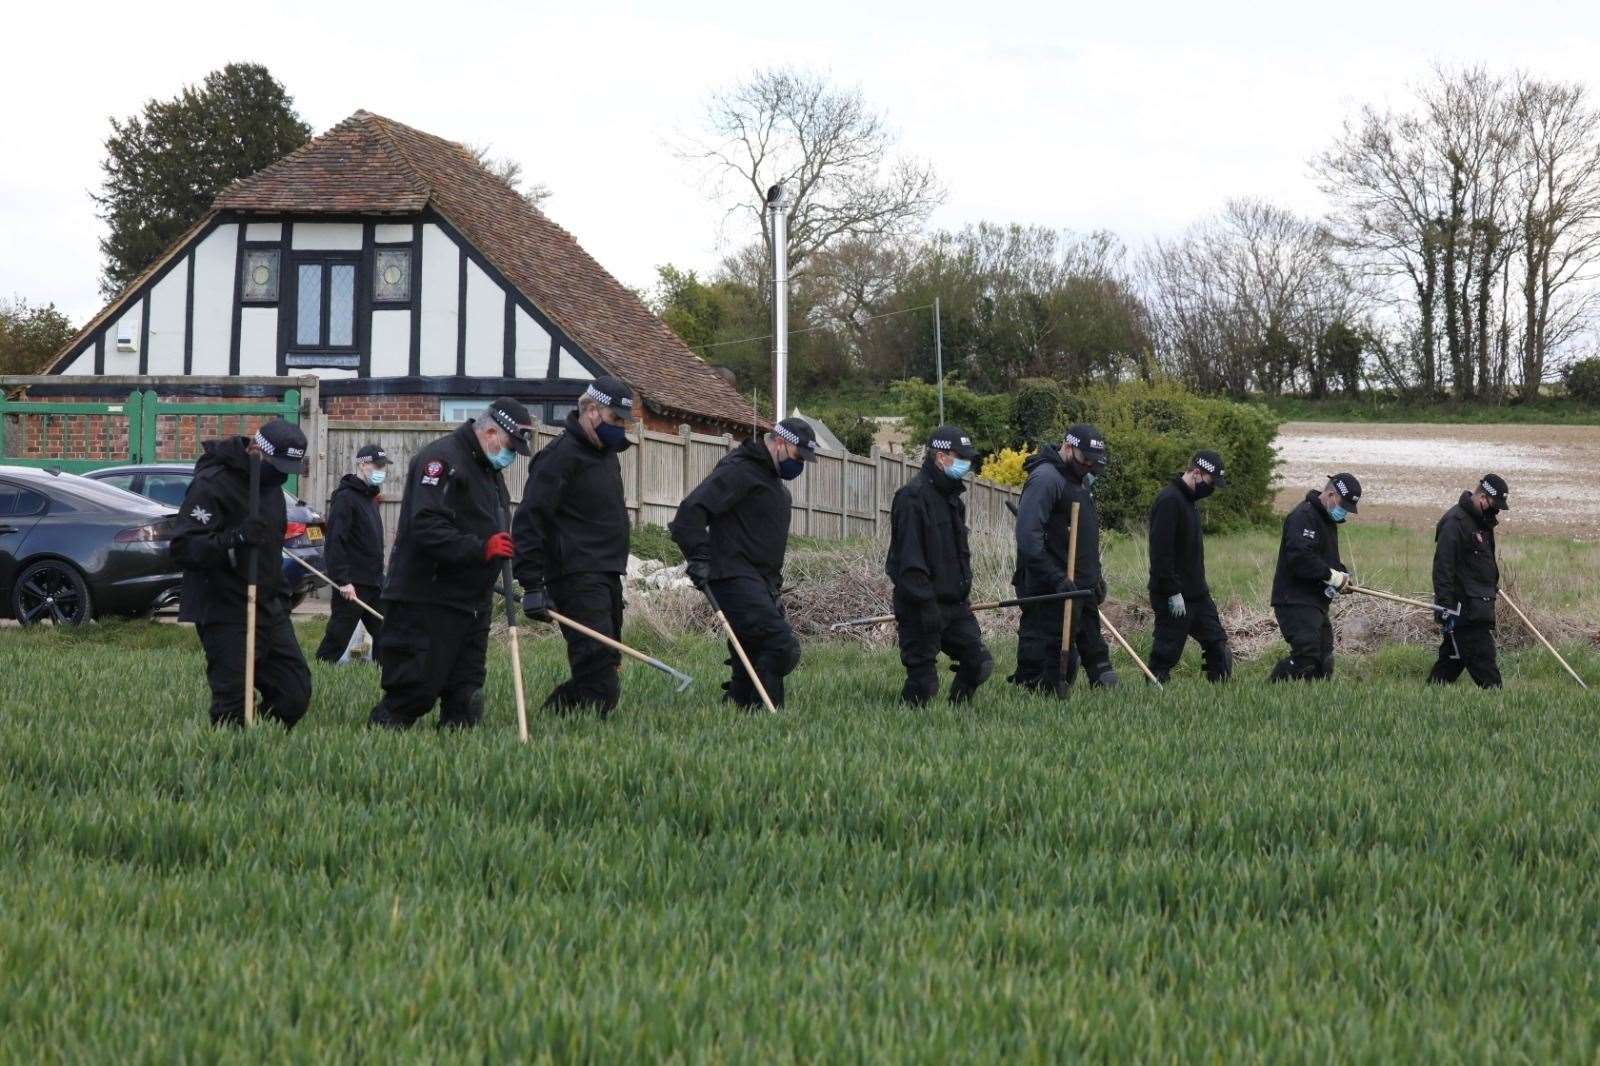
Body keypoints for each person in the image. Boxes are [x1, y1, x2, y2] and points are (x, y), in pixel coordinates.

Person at [369, 398, 532, 730]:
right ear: (490, 432)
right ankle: (382, 738)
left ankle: (456, 757)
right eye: (510, 447)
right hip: (427, 596)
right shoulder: (440, 460)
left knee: (467, 695)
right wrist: (480, 549)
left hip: (472, 599)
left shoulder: (490, 471)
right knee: (414, 690)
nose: (511, 456)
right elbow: (425, 526)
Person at [170, 418, 312, 730]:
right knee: (232, 706)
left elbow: (270, 549)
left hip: (268, 604)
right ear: (255, 450)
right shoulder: (212, 483)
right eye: (277, 466)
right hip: (223, 606)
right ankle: (232, 759)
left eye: (288, 469)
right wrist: (234, 538)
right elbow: (184, 547)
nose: (281, 476)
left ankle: (261, 743)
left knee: (294, 694)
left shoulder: (271, 487)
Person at [670, 417, 816, 710]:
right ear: (779, 442)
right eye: (798, 456)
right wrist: (698, 557)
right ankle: (759, 710)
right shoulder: (739, 470)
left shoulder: (770, 477)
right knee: (779, 646)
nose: (799, 465)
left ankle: (742, 708)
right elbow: (690, 513)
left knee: (754, 650)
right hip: (733, 577)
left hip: (761, 581)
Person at [513, 377, 637, 716]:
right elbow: (529, 520)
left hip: (607, 573)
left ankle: (563, 720)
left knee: (607, 664)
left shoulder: (607, 455)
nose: (621, 428)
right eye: (616, 419)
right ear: (591, 410)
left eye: (625, 421)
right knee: (598, 673)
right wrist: (532, 583)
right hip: (575, 575)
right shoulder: (559, 457)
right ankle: (556, 720)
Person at [886, 425, 994, 706]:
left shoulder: (953, 501)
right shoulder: (912, 498)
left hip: (955, 606)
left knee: (979, 662)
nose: (966, 465)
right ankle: (906, 724)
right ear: (941, 456)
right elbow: (907, 562)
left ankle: (958, 710)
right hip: (920, 606)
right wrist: (925, 605)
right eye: (961, 457)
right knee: (924, 683)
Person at [1010, 423, 1116, 694]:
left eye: (1093, 463)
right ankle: (1034, 687)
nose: (1089, 467)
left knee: (1097, 654)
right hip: (1049, 586)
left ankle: (1101, 685)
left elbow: (1083, 536)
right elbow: (1028, 537)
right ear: (1068, 447)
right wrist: (1056, 579)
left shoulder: (1078, 477)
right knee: (1047, 657)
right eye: (1085, 460)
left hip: (1081, 584)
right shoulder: (1046, 478)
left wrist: (1095, 576)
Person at [1146, 450, 1233, 684]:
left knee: (1218, 647)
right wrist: (1173, 591)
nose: (1212, 488)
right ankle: (1153, 692)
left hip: (1198, 594)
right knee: (1166, 653)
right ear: (1196, 473)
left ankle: (1221, 697)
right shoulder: (1169, 501)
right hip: (1172, 594)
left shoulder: (1190, 501)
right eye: (1210, 482)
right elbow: (1160, 554)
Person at [1268, 472, 1361, 682]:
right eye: (1343, 506)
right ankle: (1269, 689)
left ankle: (1313, 704)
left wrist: (1342, 576)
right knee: (1306, 657)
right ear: (1330, 495)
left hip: (1316, 602)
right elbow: (1300, 558)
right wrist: (1332, 576)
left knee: (1324, 660)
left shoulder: (1328, 521)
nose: (1344, 512)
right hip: (1294, 600)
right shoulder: (1303, 516)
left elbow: (1328, 561)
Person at [1427, 473, 1509, 689]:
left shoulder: (1482, 524)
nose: (1496, 510)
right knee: (1484, 660)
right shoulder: (1455, 522)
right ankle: (1499, 705)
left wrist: (1492, 583)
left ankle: (1430, 695)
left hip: (1480, 602)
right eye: (1494, 505)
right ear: (1482, 497)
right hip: (1462, 609)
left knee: (1452, 659)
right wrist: (1444, 605)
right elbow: (1443, 567)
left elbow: (1482, 562)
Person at [314, 443, 390, 664]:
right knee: (339, 635)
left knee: (386, 631)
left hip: (374, 582)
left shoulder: (369, 498)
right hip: (353, 585)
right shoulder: (345, 498)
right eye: (377, 465)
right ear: (362, 465)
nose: (381, 471)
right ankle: (321, 669)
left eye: (383, 466)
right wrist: (343, 580)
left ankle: (385, 675)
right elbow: (335, 542)